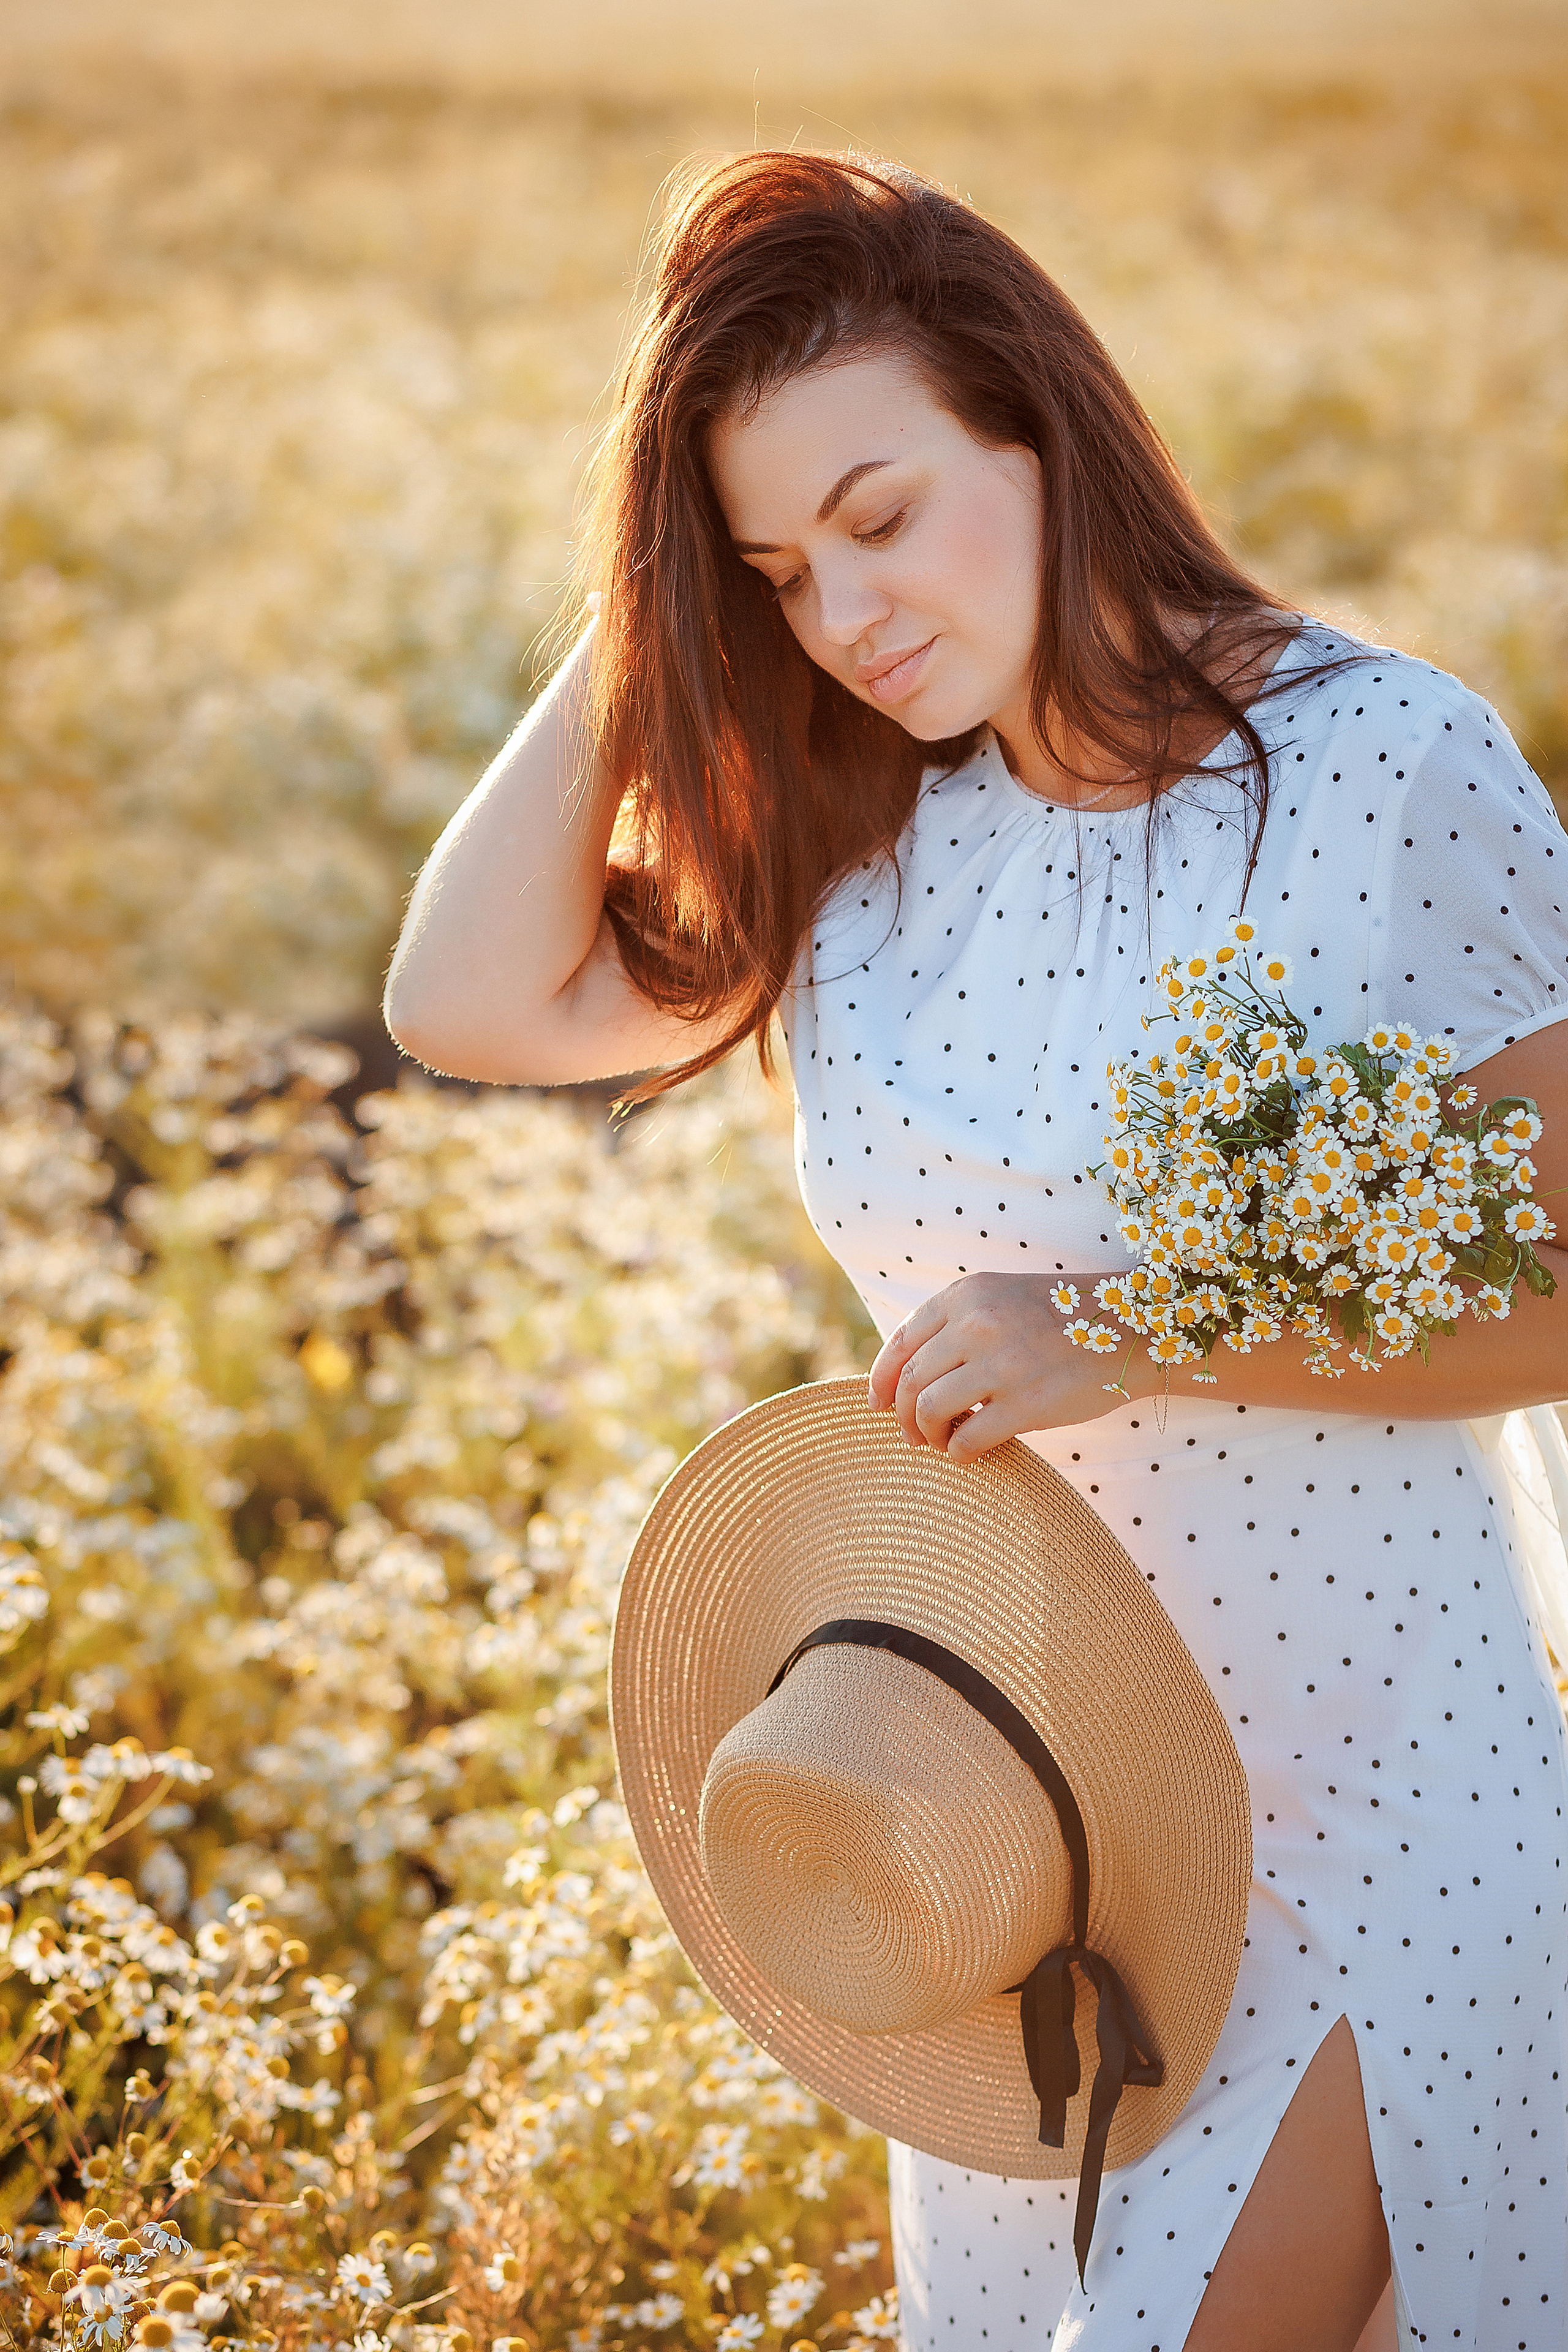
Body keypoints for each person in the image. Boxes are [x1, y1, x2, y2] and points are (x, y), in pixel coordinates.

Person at [383, 151, 1568, 2352]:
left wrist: (1132, 1326)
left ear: (1038, 426)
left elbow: (1564, 1278)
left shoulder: (1378, 767)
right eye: (776, 572)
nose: (845, 615)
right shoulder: (865, 838)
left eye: (881, 515)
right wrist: (660, 587)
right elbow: (459, 999)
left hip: (1382, 1816)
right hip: (1036, 1858)